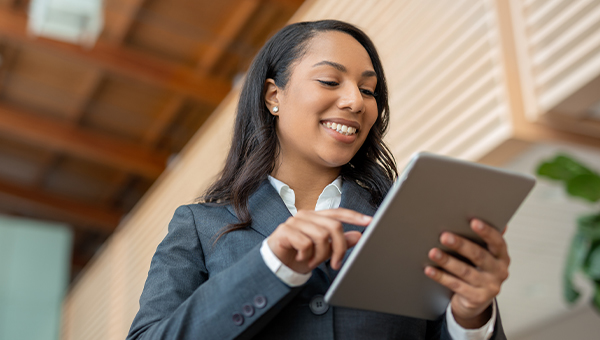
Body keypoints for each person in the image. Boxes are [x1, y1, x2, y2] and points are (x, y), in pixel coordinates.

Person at [127, 20, 508, 339]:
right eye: (329, 81)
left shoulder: (410, 222)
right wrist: (271, 265)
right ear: (273, 96)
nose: (355, 102)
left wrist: (472, 316)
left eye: (368, 90)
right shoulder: (199, 225)